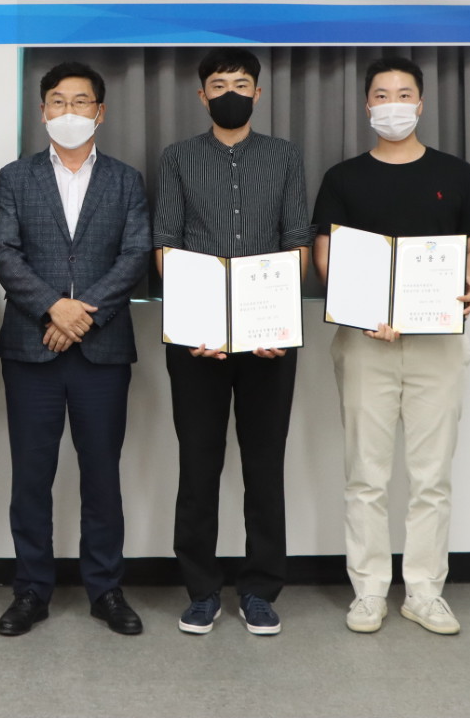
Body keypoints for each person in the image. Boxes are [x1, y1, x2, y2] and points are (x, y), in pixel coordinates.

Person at [311, 56, 470, 637]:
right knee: (366, 475)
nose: (393, 104)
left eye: (404, 94)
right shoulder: (343, 178)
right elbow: (326, 258)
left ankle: (424, 592)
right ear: (368, 105)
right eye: (382, 95)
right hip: (365, 343)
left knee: (431, 476)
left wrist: (467, 283)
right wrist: (363, 309)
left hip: (437, 343)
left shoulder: (456, 173)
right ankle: (368, 591)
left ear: (421, 103)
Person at [0, 60, 151, 637]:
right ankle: (31, 590)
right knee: (31, 476)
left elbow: (136, 254)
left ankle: (106, 590)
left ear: (100, 112)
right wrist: (53, 307)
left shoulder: (126, 180)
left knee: (102, 475)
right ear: (42, 112)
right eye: (58, 101)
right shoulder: (15, 177)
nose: (69, 111)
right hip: (31, 348)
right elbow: (3, 250)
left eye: (81, 102)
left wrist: (81, 314)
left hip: (102, 351)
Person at [153, 47, 311, 636]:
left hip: (269, 341)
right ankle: (200, 590)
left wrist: (273, 323)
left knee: (264, 467)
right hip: (196, 343)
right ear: (202, 96)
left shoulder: (285, 157)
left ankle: (260, 590)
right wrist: (199, 322)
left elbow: (297, 242)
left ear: (258, 93)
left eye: (241, 84)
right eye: (218, 85)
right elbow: (166, 245)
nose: (230, 93)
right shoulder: (178, 158)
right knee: (198, 466)